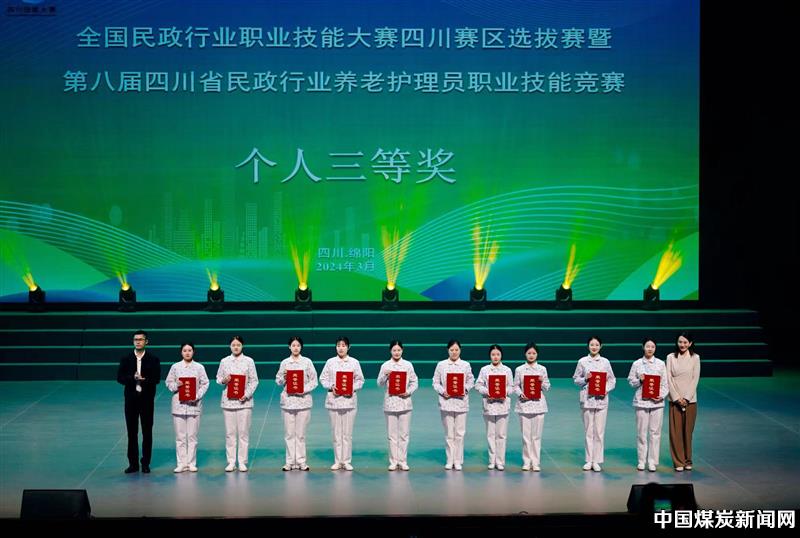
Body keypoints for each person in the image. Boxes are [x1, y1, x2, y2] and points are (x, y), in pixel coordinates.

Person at [117, 330, 161, 474]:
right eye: (135, 339)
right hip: (131, 400)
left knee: (147, 432)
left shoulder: (153, 359)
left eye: (141, 339)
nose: (138, 342)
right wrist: (132, 378)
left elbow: (156, 379)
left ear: (146, 342)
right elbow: (119, 378)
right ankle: (133, 464)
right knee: (132, 432)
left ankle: (146, 463)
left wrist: (144, 380)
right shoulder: (126, 358)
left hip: (147, 400)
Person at [320, 336, 364, 471]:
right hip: (334, 401)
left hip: (349, 402)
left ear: (348, 347)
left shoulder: (354, 362)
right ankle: (338, 460)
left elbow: (360, 380)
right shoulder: (330, 362)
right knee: (336, 433)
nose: (341, 348)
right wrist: (331, 386)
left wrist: (352, 388)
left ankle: (346, 461)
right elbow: (323, 378)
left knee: (347, 434)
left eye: (343, 345)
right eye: (338, 345)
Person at [572, 335, 616, 472]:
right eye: (592, 345)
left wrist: (605, 390)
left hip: (601, 400)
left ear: (601, 346)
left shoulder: (605, 362)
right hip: (587, 400)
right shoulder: (582, 361)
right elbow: (576, 379)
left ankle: (596, 461)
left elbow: (612, 380)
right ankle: (588, 460)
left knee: (599, 431)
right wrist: (585, 379)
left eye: (597, 345)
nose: (594, 347)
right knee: (588, 431)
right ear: (588, 346)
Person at [165, 342, 209, 473]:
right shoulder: (175, 367)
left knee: (192, 436)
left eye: (190, 350)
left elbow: (205, 383)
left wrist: (197, 395)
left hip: (194, 405)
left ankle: (191, 463)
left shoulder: (199, 367)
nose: (187, 352)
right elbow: (168, 382)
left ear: (193, 352)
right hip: (178, 405)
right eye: (185, 350)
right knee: (180, 437)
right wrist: (176, 385)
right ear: (181, 352)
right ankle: (181, 463)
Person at [216, 335, 259, 472]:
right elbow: (218, 378)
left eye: (238, 345)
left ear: (242, 346)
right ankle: (231, 462)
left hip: (244, 402)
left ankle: (242, 461)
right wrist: (224, 380)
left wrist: (246, 394)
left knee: (243, 433)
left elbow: (254, 380)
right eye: (233, 345)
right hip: (228, 402)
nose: (236, 347)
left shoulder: (249, 361)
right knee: (230, 433)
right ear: (230, 346)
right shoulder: (224, 361)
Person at [275, 336, 318, 471]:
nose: (295, 348)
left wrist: (302, 390)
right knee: (289, 434)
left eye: (298, 345)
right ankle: (289, 462)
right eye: (293, 345)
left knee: (300, 434)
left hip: (303, 402)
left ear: (301, 347)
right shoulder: (285, 363)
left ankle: (301, 461)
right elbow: (278, 381)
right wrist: (284, 377)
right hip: (288, 402)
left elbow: (314, 381)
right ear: (289, 347)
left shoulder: (307, 362)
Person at [432, 339, 475, 471]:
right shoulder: (441, 365)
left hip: (461, 402)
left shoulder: (465, 365)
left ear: (460, 350)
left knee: (460, 433)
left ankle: (458, 460)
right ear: (448, 350)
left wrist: (465, 389)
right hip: (446, 402)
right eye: (452, 350)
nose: (454, 352)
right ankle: (450, 460)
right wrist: (442, 391)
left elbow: (471, 380)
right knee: (449, 433)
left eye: (456, 350)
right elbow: (435, 382)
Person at [627, 338, 669, 472]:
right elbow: (631, 381)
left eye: (652, 347)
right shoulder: (637, 364)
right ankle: (641, 461)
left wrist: (661, 395)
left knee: (655, 433)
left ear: (655, 348)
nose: (650, 349)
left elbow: (665, 384)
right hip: (641, 401)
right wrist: (640, 380)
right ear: (643, 347)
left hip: (657, 403)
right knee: (641, 432)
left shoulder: (661, 364)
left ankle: (652, 461)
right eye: (647, 346)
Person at [377, 340, 418, 471]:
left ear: (402, 350)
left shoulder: (407, 365)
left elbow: (414, 382)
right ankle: (393, 461)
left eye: (399, 350)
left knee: (404, 434)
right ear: (390, 351)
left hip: (405, 403)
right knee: (392, 434)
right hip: (390, 403)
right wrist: (385, 375)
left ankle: (403, 461)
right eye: (394, 350)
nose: (396, 352)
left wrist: (408, 392)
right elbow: (379, 383)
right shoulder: (385, 365)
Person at [475, 345, 513, 471]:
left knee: (501, 434)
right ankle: (492, 460)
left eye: (498, 354)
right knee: (491, 434)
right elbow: (478, 385)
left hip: (503, 405)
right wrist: (488, 392)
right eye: (493, 354)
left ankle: (500, 461)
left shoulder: (507, 370)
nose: (495, 357)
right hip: (489, 405)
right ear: (490, 356)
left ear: (501, 355)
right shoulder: (485, 370)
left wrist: (504, 393)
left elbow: (511, 387)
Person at [514, 342, 551, 472]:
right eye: (529, 353)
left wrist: (542, 381)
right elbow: (515, 386)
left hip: (538, 405)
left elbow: (547, 386)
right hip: (524, 405)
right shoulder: (519, 369)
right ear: (525, 354)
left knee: (536, 436)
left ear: (537, 354)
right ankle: (526, 461)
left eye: (534, 353)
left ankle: (535, 462)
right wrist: (521, 394)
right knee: (526, 436)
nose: (531, 355)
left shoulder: (542, 369)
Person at [667, 331, 701, 472]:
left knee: (688, 432)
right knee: (676, 433)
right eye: (680, 342)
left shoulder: (695, 358)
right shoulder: (670, 357)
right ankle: (678, 461)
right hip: (675, 400)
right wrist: (676, 398)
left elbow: (695, 379)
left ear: (690, 343)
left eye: (685, 342)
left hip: (690, 401)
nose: (682, 344)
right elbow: (668, 379)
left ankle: (688, 460)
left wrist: (686, 398)